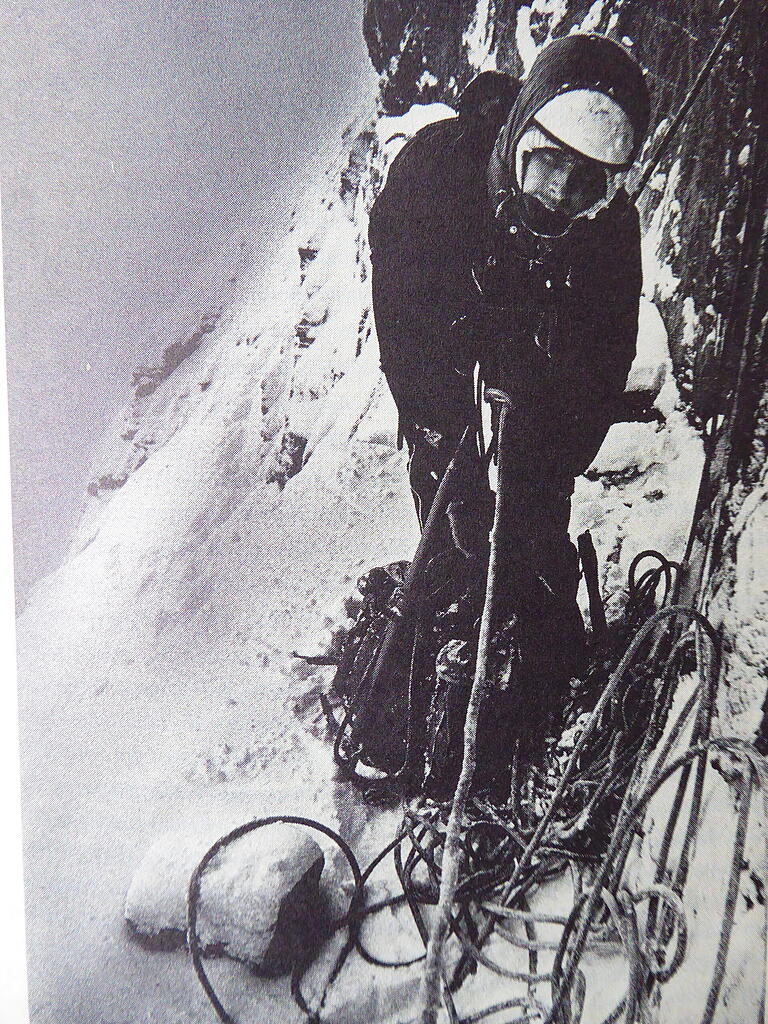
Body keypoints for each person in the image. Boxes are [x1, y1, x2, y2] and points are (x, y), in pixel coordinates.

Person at [368, 35, 651, 758]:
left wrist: (549, 462)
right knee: (453, 532)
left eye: (587, 181)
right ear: (520, 132)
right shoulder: (436, 177)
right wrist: (448, 454)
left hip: (537, 370)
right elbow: (408, 328)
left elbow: (601, 357)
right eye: (549, 162)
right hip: (451, 350)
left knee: (532, 540)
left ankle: (536, 690)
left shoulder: (607, 230)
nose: (560, 195)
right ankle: (430, 683)